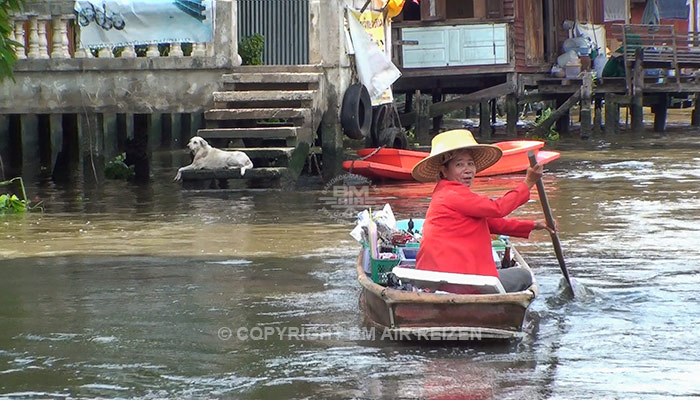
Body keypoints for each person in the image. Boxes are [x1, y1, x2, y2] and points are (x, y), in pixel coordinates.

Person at [410, 129, 555, 293]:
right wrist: (527, 183)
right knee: (524, 276)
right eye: (459, 164)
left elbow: (493, 223)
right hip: (459, 281)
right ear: (444, 171)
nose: (468, 170)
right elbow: (498, 208)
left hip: (444, 278)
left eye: (470, 164)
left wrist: (534, 225)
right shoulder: (452, 194)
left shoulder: (446, 193)